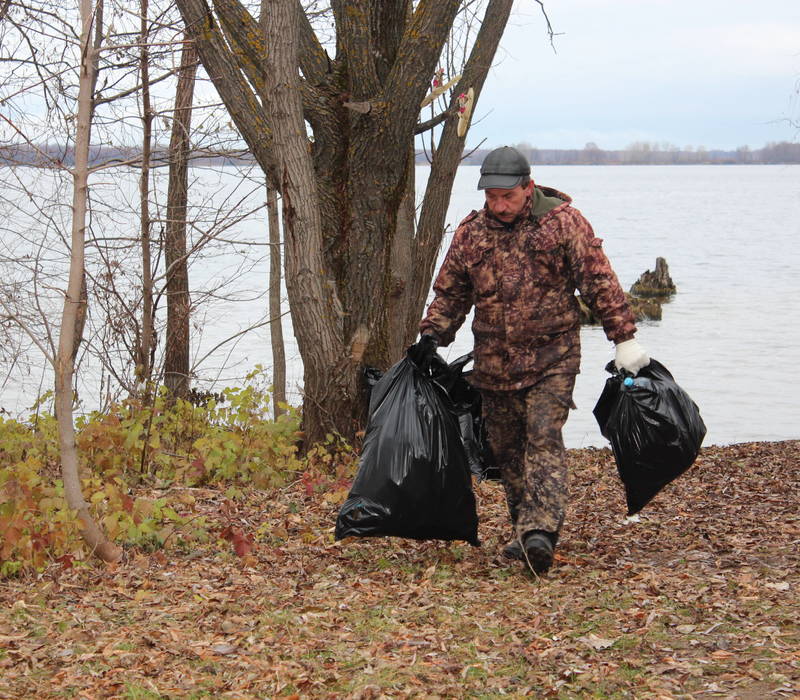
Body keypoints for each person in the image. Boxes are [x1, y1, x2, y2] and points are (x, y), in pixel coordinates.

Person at [409, 146, 649, 574]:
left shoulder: (562, 223)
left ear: (528, 187)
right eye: (491, 197)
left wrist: (624, 339)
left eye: (507, 196)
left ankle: (541, 530)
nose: (498, 205)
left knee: (542, 437)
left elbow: (598, 282)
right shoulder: (472, 232)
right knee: (508, 452)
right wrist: (432, 336)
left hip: (552, 356)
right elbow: (451, 291)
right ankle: (526, 530)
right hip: (494, 363)